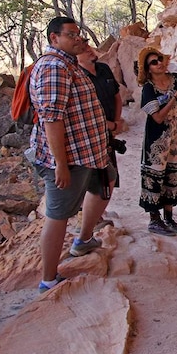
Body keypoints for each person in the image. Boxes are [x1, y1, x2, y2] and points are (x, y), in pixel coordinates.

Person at [30, 16, 115, 293]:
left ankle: (84, 240)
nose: (79, 39)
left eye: (79, 34)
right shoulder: (54, 67)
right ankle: (48, 279)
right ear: (54, 38)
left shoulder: (69, 65)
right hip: (72, 157)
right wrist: (60, 165)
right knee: (58, 214)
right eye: (71, 35)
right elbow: (51, 119)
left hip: (90, 152)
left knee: (105, 186)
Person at [136, 47, 177, 236]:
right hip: (156, 142)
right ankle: (154, 220)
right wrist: (173, 97)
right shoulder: (148, 88)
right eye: (153, 62)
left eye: (160, 59)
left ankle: (169, 217)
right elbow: (158, 118)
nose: (159, 63)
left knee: (172, 176)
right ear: (148, 68)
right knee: (155, 177)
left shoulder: (175, 79)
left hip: (176, 137)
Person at [77, 46, 124, 231]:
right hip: (90, 134)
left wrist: (116, 122)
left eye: (88, 45)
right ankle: (90, 221)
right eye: (84, 48)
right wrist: (111, 126)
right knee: (94, 176)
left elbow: (116, 97)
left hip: (108, 131)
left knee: (107, 174)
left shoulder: (103, 68)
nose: (89, 49)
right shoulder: (77, 76)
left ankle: (97, 215)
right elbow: (85, 114)